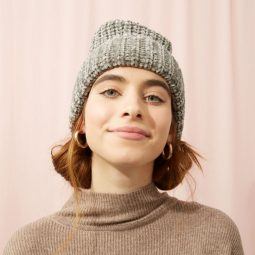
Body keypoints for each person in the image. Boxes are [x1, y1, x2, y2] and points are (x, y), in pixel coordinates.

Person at [3, 19, 244, 255]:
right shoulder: (30, 246)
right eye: (110, 91)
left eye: (153, 97)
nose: (133, 108)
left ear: (171, 131)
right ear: (82, 120)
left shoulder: (214, 235)